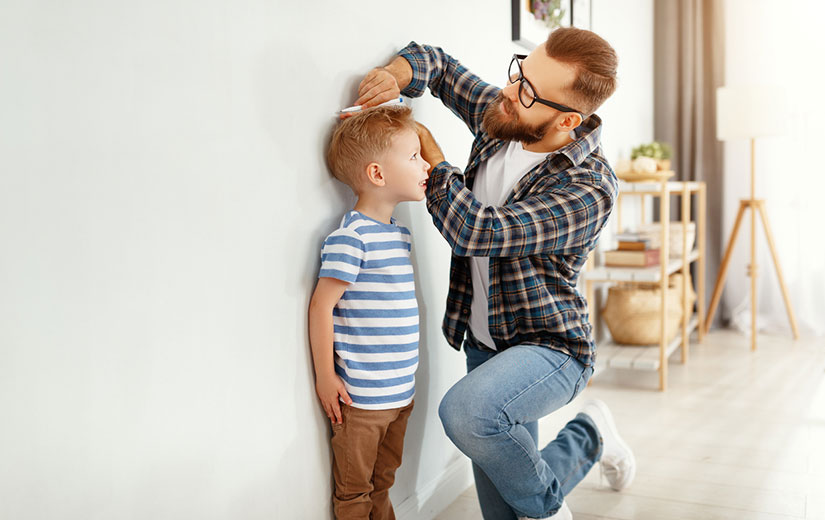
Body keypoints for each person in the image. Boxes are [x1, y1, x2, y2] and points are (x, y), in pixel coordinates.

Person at [353, 28, 635, 520]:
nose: (509, 91)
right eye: (519, 71)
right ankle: (589, 436)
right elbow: (436, 64)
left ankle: (549, 510)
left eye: (527, 90)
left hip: (550, 347)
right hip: (485, 342)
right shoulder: (509, 114)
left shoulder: (589, 187)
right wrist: (394, 75)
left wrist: (436, 161)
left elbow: (478, 231)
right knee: (503, 513)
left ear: (567, 119)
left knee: (466, 413)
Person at [308, 105, 430, 520]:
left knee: (384, 481)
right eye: (414, 156)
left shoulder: (399, 234)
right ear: (377, 175)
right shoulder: (351, 238)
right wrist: (326, 376)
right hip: (361, 401)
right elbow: (322, 307)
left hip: (400, 394)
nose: (426, 164)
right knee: (355, 492)